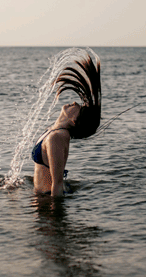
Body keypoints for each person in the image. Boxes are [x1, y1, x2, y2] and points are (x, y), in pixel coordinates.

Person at [32, 51, 101, 196]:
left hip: (47, 198)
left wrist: (55, 216)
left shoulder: (57, 137)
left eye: (79, 108)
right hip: (43, 196)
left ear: (75, 120)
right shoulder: (55, 130)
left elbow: (56, 184)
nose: (76, 103)